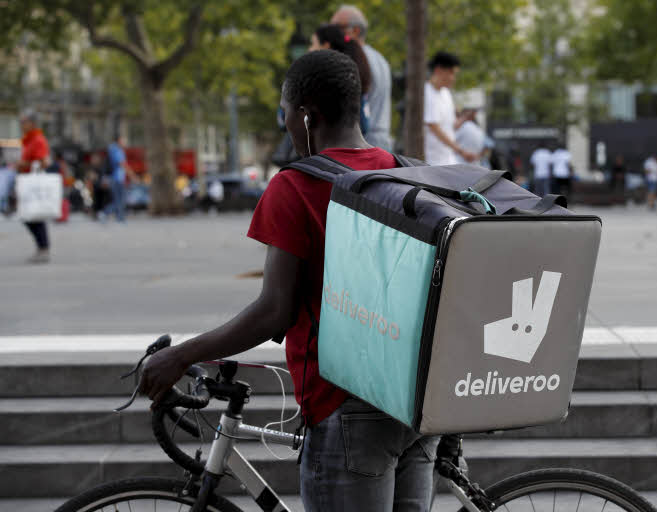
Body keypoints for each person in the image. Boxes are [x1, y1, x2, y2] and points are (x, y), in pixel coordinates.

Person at [139, 50, 439, 511]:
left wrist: (182, 355)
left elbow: (272, 312)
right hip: (412, 404)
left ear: (306, 115)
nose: (285, 125)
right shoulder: (406, 170)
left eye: (285, 114)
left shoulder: (295, 187)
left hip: (344, 405)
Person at [331, 4, 392, 151]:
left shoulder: (355, 59)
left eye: (336, 28)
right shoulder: (380, 58)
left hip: (362, 144)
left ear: (355, 31)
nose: (331, 34)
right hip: (381, 142)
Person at [309, 23, 372, 135]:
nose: (310, 49)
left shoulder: (321, 85)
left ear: (326, 46)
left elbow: (285, 119)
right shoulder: (354, 79)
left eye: (313, 44)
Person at [423, 51, 477, 165]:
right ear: (438, 70)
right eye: (451, 73)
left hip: (448, 159)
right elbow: (434, 128)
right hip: (432, 161)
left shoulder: (446, 94)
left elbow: (450, 126)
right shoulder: (427, 93)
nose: (453, 78)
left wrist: (464, 118)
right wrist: (461, 151)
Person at [17, 109, 51, 263]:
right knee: (28, 215)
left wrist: (24, 164)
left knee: (35, 215)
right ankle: (41, 248)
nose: (21, 125)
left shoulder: (37, 139)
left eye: (23, 122)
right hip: (26, 181)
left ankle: (43, 248)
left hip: (33, 183)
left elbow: (44, 161)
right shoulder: (29, 140)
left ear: (31, 123)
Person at [103, 135, 129, 222]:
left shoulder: (112, 150)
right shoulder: (118, 151)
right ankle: (106, 212)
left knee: (118, 199)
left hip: (113, 178)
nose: (125, 142)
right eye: (124, 140)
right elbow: (123, 164)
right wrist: (133, 176)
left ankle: (119, 217)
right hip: (118, 179)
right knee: (120, 200)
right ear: (119, 141)